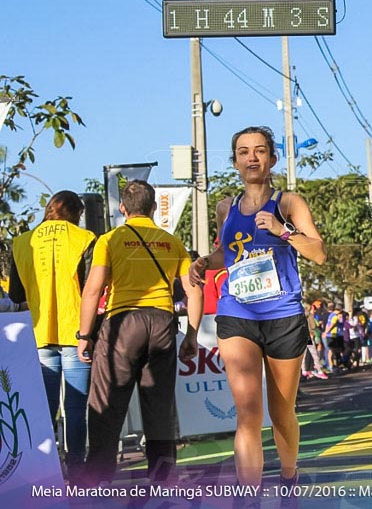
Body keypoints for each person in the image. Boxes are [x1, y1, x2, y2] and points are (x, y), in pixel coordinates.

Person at [187, 126, 326, 491]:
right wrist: (204, 263)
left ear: (271, 159)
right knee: (248, 414)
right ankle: (248, 497)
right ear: (234, 161)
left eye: (260, 151)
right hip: (238, 314)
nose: (252, 157)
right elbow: (226, 254)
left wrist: (283, 231)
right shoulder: (225, 208)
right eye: (244, 151)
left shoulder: (288, 203)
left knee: (281, 413)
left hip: (282, 316)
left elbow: (318, 252)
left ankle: (288, 477)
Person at [76, 180, 203, 484]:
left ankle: (98, 481)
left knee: (106, 404)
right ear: (153, 208)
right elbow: (194, 291)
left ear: (122, 208)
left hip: (123, 323)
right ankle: (162, 481)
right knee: (158, 407)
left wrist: (84, 337)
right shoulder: (172, 242)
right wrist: (192, 336)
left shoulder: (110, 239)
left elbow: (93, 291)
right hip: (162, 322)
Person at [8, 191, 96, 480]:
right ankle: (77, 468)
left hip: (37, 334)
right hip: (76, 334)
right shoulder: (85, 239)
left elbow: (16, 297)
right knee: (75, 407)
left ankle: (44, 467)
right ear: (76, 213)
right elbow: (89, 289)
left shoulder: (21, 243)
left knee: (44, 409)